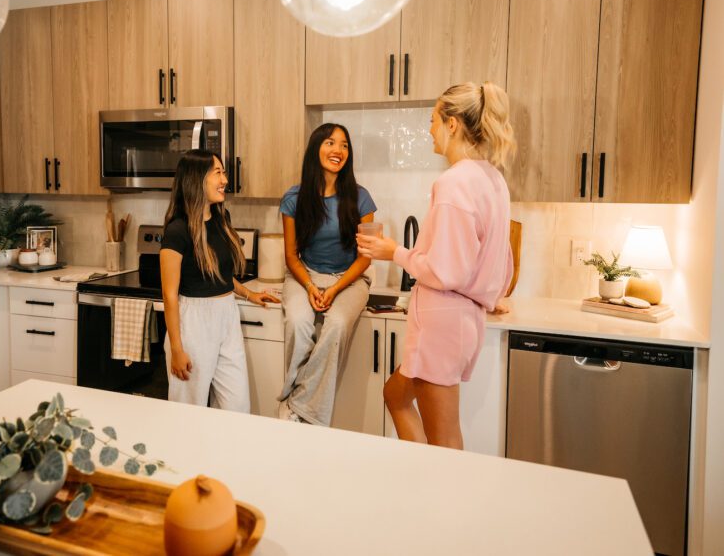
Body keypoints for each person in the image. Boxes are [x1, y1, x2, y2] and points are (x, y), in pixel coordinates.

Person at [357, 82, 516, 449]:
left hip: (442, 323)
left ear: (453, 124)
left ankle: (444, 499)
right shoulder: (493, 179)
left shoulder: (453, 183)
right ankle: (421, 480)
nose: (429, 129)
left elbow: (447, 272)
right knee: (395, 395)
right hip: (460, 321)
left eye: (432, 120)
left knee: (444, 441)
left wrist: (393, 251)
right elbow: (500, 260)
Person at [160, 149, 280, 411]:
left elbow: (221, 276)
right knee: (188, 409)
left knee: (237, 407)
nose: (225, 179)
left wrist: (250, 294)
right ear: (196, 179)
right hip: (193, 322)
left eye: (224, 172)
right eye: (218, 173)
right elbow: (169, 295)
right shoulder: (177, 231)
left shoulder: (221, 219)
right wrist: (177, 349)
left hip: (227, 316)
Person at [278, 124, 376, 425]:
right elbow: (291, 256)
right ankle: (304, 406)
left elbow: (365, 258)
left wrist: (333, 290)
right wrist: (308, 286)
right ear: (315, 149)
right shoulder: (293, 198)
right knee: (298, 321)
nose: (338, 150)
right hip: (304, 274)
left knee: (335, 324)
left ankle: (295, 406)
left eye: (344, 145)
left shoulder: (362, 198)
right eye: (331, 143)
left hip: (349, 279)